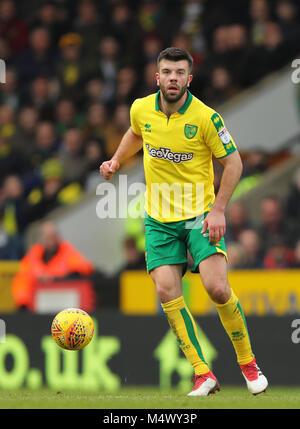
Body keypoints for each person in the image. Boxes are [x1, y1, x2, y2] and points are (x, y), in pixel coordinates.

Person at [100, 47, 268, 397]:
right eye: (167, 71)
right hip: (159, 220)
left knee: (217, 288)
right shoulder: (141, 108)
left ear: (189, 79)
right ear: (156, 77)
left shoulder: (207, 118)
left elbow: (234, 164)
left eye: (179, 73)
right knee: (165, 290)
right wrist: (116, 160)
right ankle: (202, 374)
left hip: (199, 217)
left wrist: (219, 209)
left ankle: (249, 365)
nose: (172, 78)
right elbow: (136, 132)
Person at [11, 221, 94, 309]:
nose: (51, 241)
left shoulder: (67, 251)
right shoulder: (33, 255)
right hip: (38, 307)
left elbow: (85, 268)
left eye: (53, 236)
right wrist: (23, 303)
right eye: (47, 237)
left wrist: (56, 279)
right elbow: (21, 281)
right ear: (41, 238)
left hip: (66, 304)